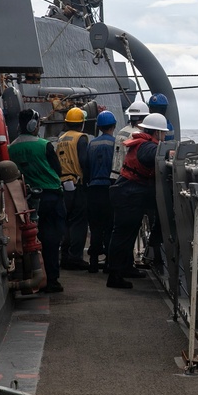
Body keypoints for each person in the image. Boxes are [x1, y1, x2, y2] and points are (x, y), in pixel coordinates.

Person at [106, 113, 168, 289]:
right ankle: (114, 276)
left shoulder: (142, 143)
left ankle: (125, 268)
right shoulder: (148, 147)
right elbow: (155, 155)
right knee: (122, 235)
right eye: (163, 133)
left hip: (128, 193)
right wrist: (172, 153)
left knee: (128, 234)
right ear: (157, 133)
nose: (164, 136)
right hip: (129, 195)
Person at [8, 109, 66, 293]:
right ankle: (52, 280)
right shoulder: (44, 145)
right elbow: (58, 171)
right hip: (51, 196)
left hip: (26, 200)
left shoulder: (11, 148)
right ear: (34, 125)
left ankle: (32, 277)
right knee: (52, 239)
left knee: (30, 239)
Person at [56, 107, 90, 270]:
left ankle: (64, 257)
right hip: (77, 184)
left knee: (66, 222)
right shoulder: (81, 138)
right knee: (78, 222)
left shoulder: (61, 138)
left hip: (62, 184)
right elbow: (84, 161)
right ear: (81, 124)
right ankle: (75, 257)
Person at [85, 110, 117, 273]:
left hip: (93, 189)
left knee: (95, 227)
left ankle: (93, 262)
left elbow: (87, 167)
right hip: (109, 189)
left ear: (99, 126)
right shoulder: (116, 144)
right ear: (114, 126)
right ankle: (109, 263)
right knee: (110, 226)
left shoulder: (92, 144)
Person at [110, 100, 149, 179]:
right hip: (127, 177)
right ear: (144, 118)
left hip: (115, 175)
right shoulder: (137, 135)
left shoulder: (121, 131)